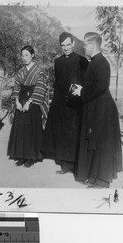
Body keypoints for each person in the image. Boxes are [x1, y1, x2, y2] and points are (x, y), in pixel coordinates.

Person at [72, 32, 123, 188]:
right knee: (96, 143)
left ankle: (102, 181)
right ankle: (95, 177)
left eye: (85, 45)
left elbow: (100, 87)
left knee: (102, 144)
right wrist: (83, 88)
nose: (83, 47)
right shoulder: (96, 61)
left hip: (103, 110)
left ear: (92, 45)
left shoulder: (100, 62)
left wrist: (82, 92)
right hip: (98, 107)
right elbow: (95, 85)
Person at [41, 32, 89, 174]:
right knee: (62, 132)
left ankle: (75, 165)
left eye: (68, 44)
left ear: (73, 43)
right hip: (61, 103)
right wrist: (54, 101)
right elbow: (57, 83)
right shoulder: (58, 62)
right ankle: (65, 165)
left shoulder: (82, 60)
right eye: (63, 45)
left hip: (76, 103)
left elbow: (86, 82)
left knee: (74, 132)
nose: (66, 48)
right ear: (60, 46)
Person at [7, 45, 49, 168]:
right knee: (20, 127)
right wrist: (17, 102)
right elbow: (16, 87)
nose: (24, 58)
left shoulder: (39, 71)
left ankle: (31, 156)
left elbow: (41, 88)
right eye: (22, 55)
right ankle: (21, 155)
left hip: (33, 101)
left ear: (32, 55)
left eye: (27, 55)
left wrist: (29, 102)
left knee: (31, 129)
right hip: (21, 100)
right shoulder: (21, 71)